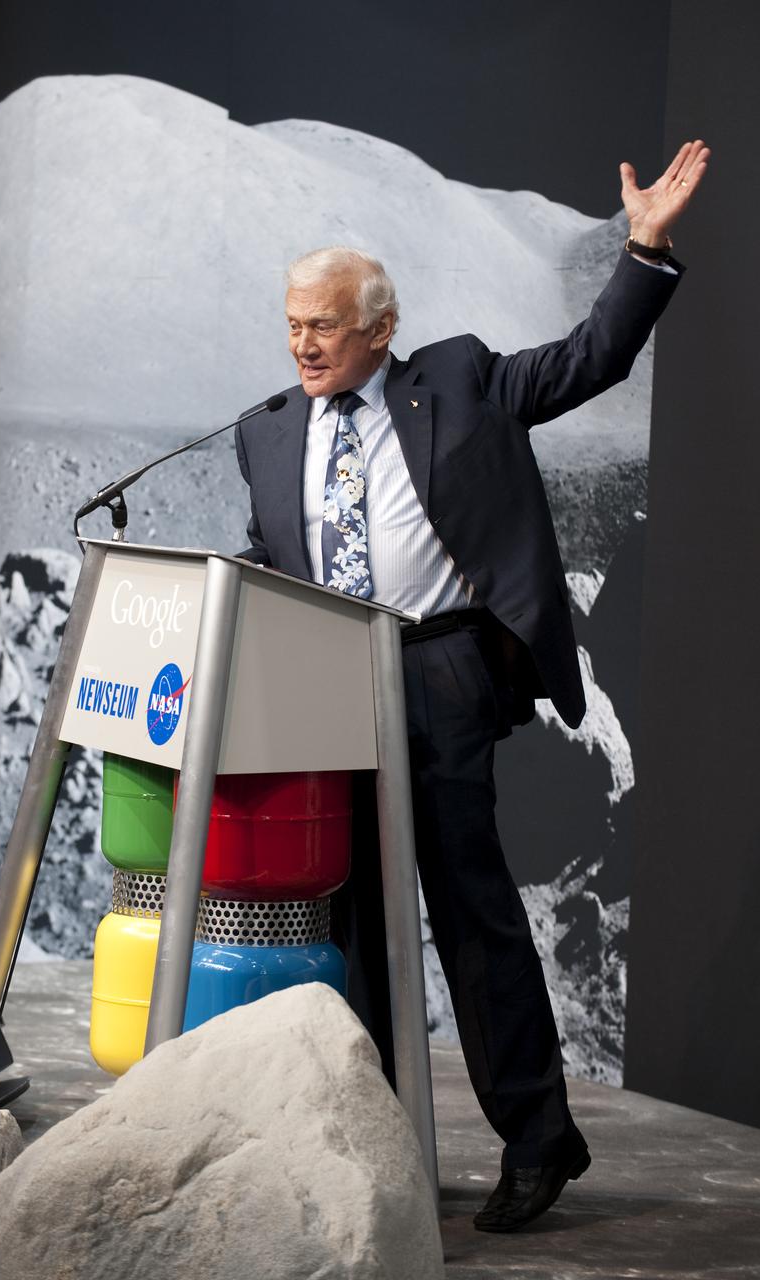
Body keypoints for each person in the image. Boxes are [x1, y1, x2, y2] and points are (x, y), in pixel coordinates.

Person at [233, 140, 710, 1232]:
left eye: (324, 323)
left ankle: (540, 1139)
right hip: (319, 676)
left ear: (379, 330)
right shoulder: (264, 432)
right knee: (343, 921)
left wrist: (643, 246)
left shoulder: (457, 378)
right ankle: (371, 1135)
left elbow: (589, 357)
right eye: (293, 322)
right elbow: (262, 552)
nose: (302, 340)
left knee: (468, 906)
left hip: (434, 666)